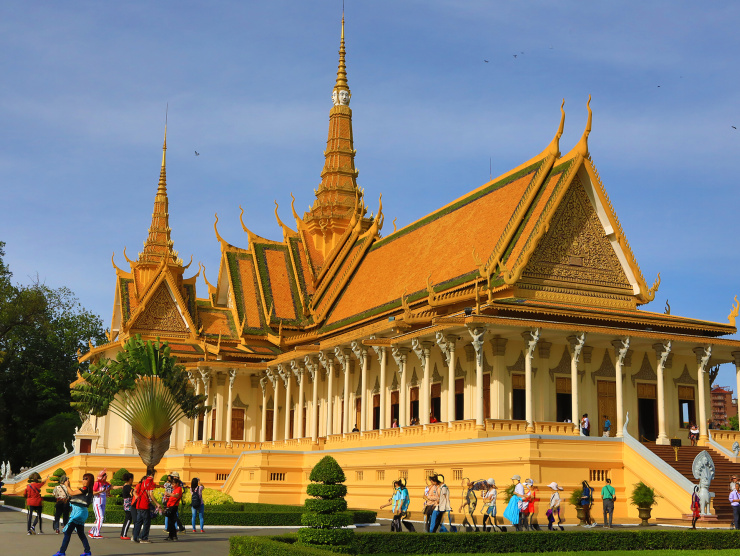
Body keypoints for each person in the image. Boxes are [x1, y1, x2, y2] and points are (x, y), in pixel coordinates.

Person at [52, 472, 94, 556]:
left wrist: (67, 485)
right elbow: (73, 493)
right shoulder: (89, 489)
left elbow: (72, 493)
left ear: (90, 480)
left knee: (67, 532)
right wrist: (69, 487)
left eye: (86, 479)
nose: (84, 480)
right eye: (83, 478)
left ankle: (62, 552)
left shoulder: (85, 488)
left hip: (78, 513)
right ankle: (87, 551)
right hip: (82, 512)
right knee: (81, 533)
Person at [132, 474, 161, 543]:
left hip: (138, 505)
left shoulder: (139, 484)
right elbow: (150, 495)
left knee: (138, 522)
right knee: (146, 522)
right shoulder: (148, 485)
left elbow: (134, 491)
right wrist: (157, 504)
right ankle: (144, 538)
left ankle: (135, 537)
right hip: (144, 505)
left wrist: (136, 496)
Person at [88, 469, 110, 539]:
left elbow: (112, 487)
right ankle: (96, 533)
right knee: (101, 518)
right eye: (105, 476)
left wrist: (122, 487)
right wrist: (101, 491)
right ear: (102, 477)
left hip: (103, 502)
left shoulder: (106, 484)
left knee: (99, 518)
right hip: (97, 502)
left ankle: (92, 531)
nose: (106, 477)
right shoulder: (97, 483)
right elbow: (93, 492)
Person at [120, 473, 134, 540]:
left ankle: (123, 533)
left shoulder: (125, 486)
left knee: (127, 519)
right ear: (130, 479)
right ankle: (124, 534)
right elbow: (132, 493)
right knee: (128, 519)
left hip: (127, 504)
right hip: (128, 504)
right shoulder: (128, 487)